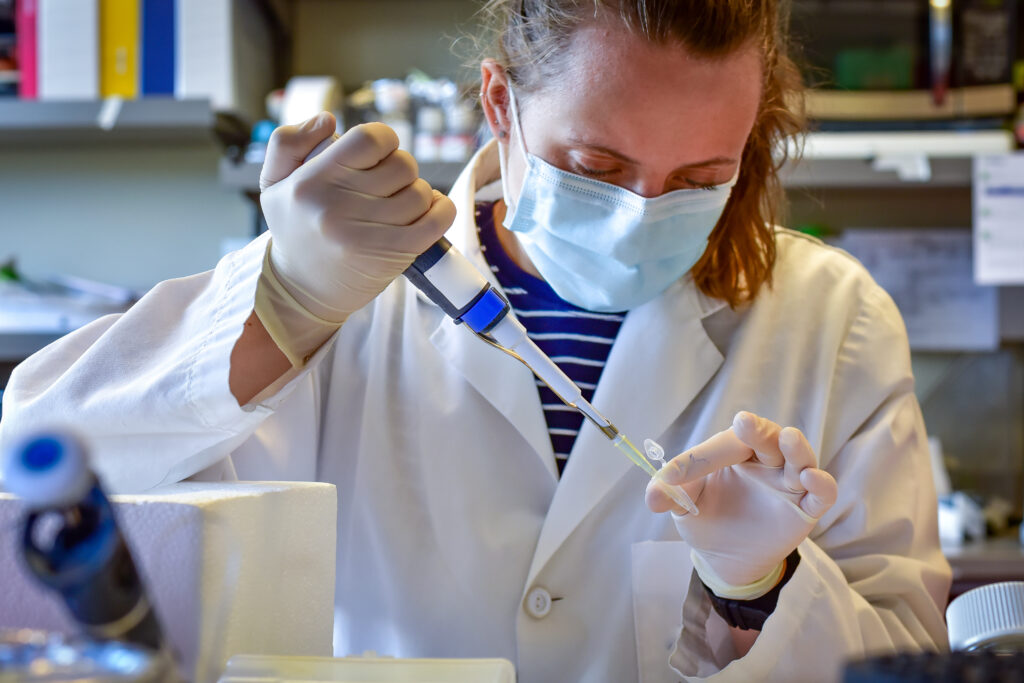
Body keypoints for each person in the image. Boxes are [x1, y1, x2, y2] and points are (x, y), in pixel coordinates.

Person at [0, 1, 951, 681]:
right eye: (597, 164)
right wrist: (283, 307)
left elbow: (907, 657)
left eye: (702, 175)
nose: (639, 214)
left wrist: (757, 586)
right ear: (500, 103)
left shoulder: (834, 317)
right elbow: (35, 472)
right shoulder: (346, 275)